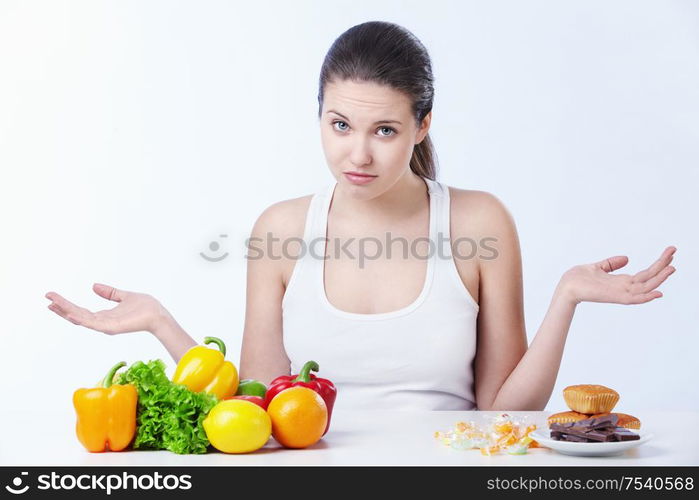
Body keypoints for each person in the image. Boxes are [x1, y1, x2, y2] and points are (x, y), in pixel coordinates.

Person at [45, 21, 676, 411]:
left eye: (385, 129)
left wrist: (565, 298)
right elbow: (256, 407)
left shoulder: (479, 223)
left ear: (422, 125)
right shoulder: (282, 230)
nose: (358, 153)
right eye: (340, 124)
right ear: (318, 113)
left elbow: (502, 413)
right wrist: (163, 324)